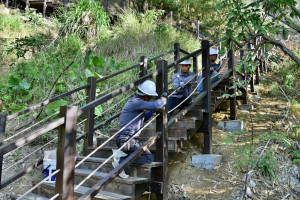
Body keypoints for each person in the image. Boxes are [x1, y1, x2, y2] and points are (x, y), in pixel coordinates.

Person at [114, 80, 167, 178]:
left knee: (148, 156)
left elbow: (145, 117)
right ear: (146, 95)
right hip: (127, 140)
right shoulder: (136, 102)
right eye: (150, 97)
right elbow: (155, 104)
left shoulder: (136, 104)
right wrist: (163, 99)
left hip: (129, 140)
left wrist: (154, 109)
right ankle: (121, 165)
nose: (150, 99)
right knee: (148, 157)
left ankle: (121, 162)